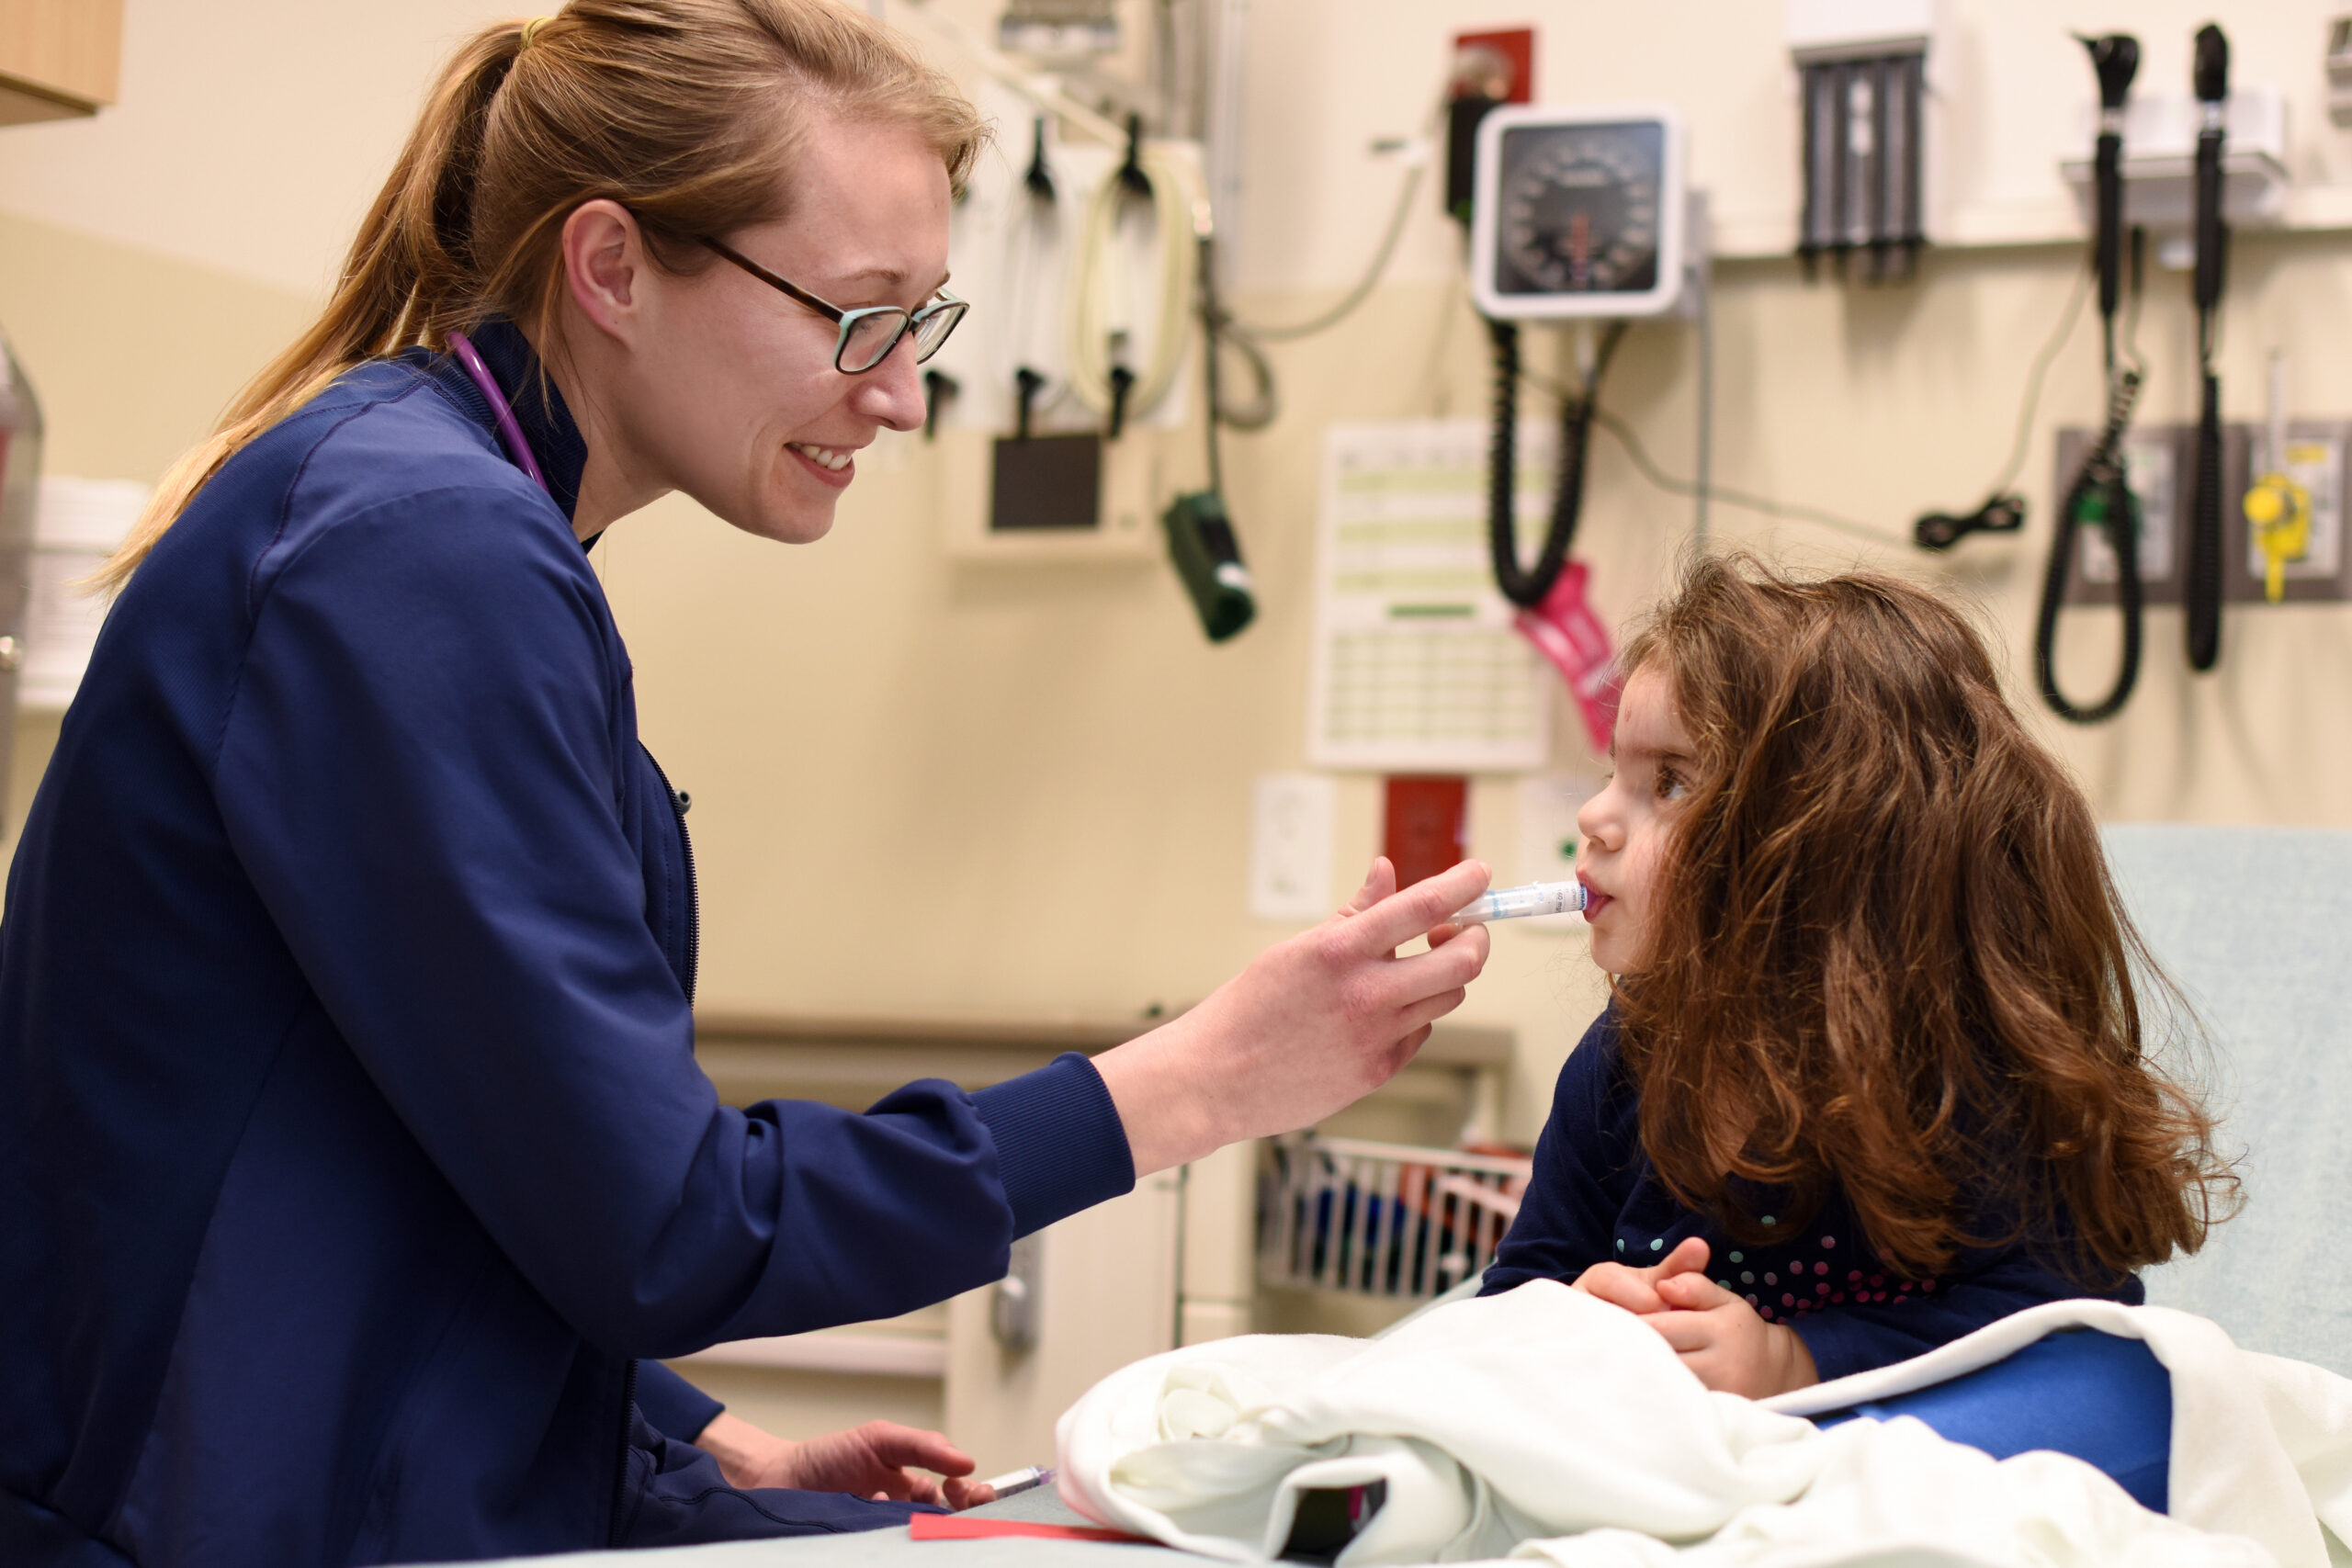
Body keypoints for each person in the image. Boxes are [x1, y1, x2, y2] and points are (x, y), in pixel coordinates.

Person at [0, 5, 1493, 1564]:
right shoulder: (417, 550)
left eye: (925, 320)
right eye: (858, 317)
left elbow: (446, 1143)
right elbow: (670, 1222)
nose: (903, 393)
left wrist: (690, 1431)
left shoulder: (444, 518)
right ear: (613, 268)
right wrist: (1196, 1082)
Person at [1482, 556, 2233, 1503]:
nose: (1593, 817)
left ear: (1827, 849)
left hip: (1932, 1444)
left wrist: (1795, 1363)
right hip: (1708, 1466)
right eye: (1612, 774)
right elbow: (1517, 1291)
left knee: (2135, 1391)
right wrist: (1574, 1320)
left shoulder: (1961, 1078)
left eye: (1667, 782)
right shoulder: (1626, 1058)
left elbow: (2047, 1317)